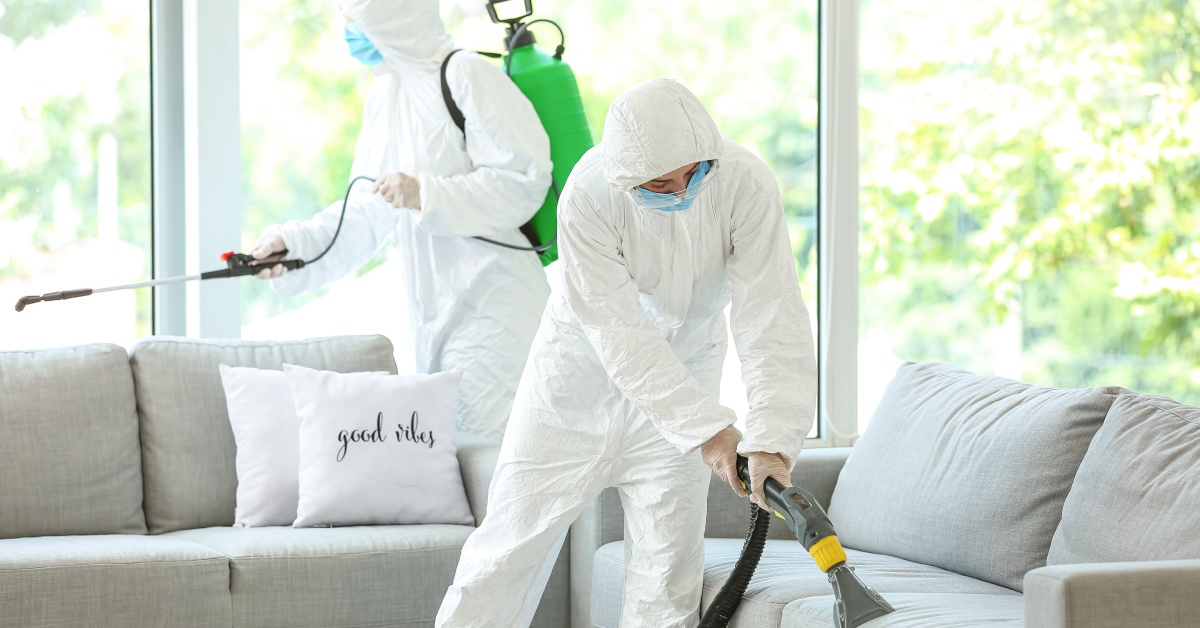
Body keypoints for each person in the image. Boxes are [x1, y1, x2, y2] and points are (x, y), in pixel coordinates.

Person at [435, 78, 818, 628]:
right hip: (575, 382)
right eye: (662, 184)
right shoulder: (589, 195)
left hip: (686, 373)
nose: (683, 189)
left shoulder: (746, 183)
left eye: (694, 173)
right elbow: (620, 334)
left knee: (668, 576)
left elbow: (772, 315)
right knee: (505, 552)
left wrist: (773, 439)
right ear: (626, 178)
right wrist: (708, 430)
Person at [249, 0, 553, 441]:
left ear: (394, 14)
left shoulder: (466, 74)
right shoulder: (386, 94)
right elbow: (368, 212)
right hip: (429, 311)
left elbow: (525, 181)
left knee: (492, 460)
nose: (348, 30)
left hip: (494, 304)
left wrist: (425, 192)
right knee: (453, 458)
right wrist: (293, 248)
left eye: (356, 18)